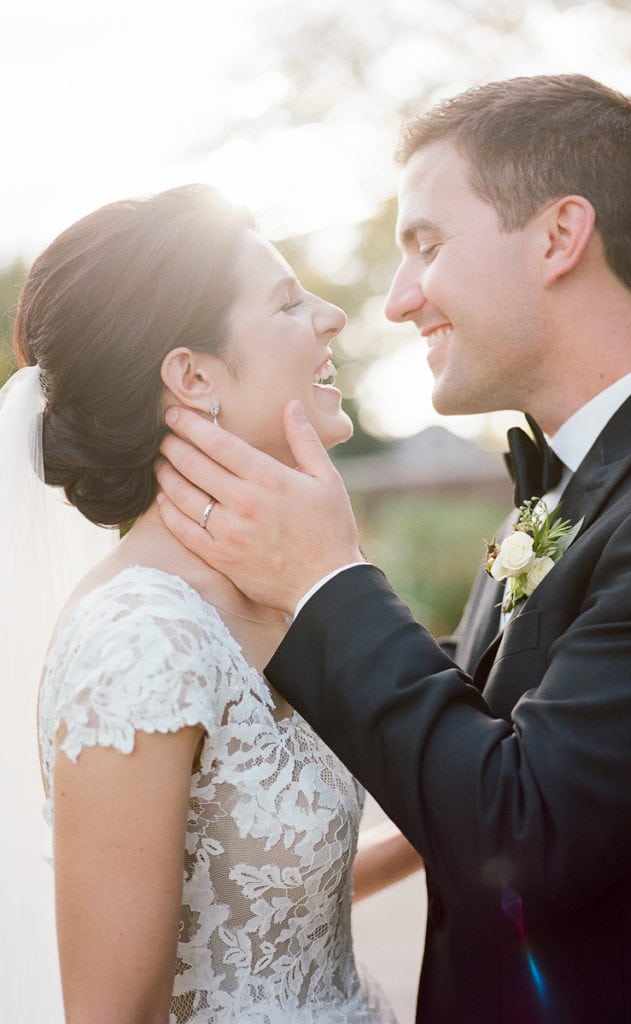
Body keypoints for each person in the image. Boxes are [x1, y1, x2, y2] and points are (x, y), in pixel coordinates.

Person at [154, 74, 631, 1023]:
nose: (396, 302)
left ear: (560, 236)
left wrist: (326, 580)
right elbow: (486, 733)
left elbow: (518, 842)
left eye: (427, 246)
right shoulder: (583, 482)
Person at [1, 184, 420, 1023]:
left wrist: (466, 809)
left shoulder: (276, 585)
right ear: (191, 377)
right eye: (287, 301)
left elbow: (262, 900)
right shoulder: (141, 636)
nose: (332, 316)